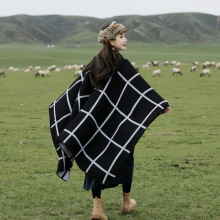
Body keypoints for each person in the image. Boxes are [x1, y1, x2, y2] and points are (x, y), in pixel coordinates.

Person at [49, 21, 170, 220]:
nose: (126, 39)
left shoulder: (94, 63)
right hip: (117, 124)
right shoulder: (122, 64)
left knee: (95, 156)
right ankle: (126, 202)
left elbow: (79, 93)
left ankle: (98, 209)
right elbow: (140, 91)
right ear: (111, 40)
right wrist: (159, 105)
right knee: (125, 155)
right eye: (122, 36)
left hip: (95, 124)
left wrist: (71, 114)